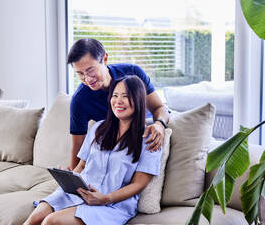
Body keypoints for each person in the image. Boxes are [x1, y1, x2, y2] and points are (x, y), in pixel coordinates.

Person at [24, 75, 162, 225]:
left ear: (138, 100)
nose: (118, 101)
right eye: (115, 96)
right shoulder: (99, 128)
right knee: (34, 219)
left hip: (112, 204)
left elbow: (138, 184)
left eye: (125, 96)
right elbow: (82, 166)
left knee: (51, 221)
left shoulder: (148, 138)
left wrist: (106, 198)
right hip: (79, 193)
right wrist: (69, 178)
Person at [67, 38, 169, 170]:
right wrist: (72, 177)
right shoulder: (80, 101)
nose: (87, 79)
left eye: (90, 70)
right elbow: (78, 148)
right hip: (121, 142)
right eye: (80, 74)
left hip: (147, 127)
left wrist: (159, 124)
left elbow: (159, 107)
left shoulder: (133, 73)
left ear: (104, 59)